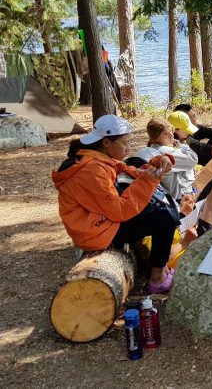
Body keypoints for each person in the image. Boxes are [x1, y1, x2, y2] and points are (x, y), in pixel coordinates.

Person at [52, 115, 179, 294]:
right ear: (106, 143)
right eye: (124, 143)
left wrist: (158, 161)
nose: (128, 148)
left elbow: (123, 167)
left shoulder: (95, 158)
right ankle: (158, 278)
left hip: (98, 221)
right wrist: (148, 181)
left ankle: (154, 264)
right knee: (165, 217)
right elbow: (119, 211)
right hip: (95, 232)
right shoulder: (92, 171)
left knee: (135, 167)